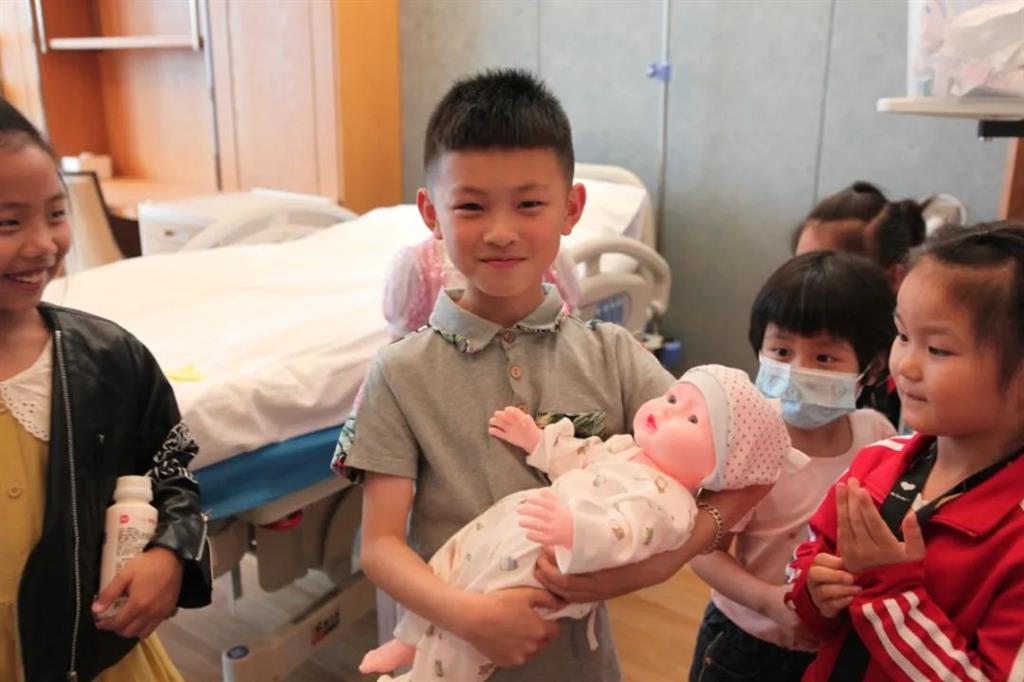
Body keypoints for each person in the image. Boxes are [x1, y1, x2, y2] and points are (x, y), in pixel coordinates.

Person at [787, 222, 1024, 680]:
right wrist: (815, 589)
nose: (906, 365)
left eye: (937, 349)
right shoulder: (877, 461)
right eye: (901, 335)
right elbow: (806, 562)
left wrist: (889, 592)